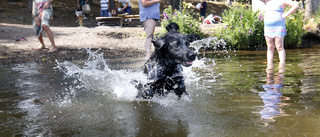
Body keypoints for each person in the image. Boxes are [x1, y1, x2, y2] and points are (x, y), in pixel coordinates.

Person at [263, 0, 298, 69]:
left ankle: (281, 66)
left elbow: (296, 6)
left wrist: (286, 14)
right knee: (270, 47)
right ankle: (269, 66)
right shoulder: (268, 0)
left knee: (279, 47)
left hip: (278, 26)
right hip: (268, 27)